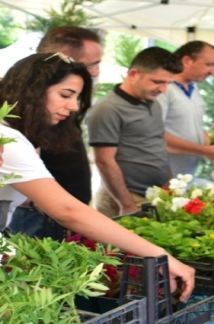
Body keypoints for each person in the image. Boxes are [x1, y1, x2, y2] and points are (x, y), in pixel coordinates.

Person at [0, 52, 195, 301]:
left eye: (77, 98)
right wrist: (159, 255)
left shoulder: (19, 137)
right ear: (33, 91)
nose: (73, 107)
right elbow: (68, 211)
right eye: (66, 95)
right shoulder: (10, 140)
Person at [11, 26, 105, 240]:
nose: (72, 106)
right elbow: (64, 209)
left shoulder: (54, 109)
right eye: (93, 64)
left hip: (61, 213)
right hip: (40, 216)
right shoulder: (13, 129)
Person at [87, 47, 183, 217]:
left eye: (168, 83)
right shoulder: (108, 109)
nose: (163, 89)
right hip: (123, 200)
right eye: (157, 81)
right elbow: (104, 161)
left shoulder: (154, 104)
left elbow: (158, 146)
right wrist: (127, 204)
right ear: (133, 74)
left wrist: (169, 186)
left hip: (154, 196)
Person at [158, 41, 214, 179]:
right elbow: (156, 135)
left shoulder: (193, 87)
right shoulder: (162, 89)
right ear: (187, 61)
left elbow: (197, 130)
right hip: (162, 177)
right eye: (209, 64)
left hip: (185, 176)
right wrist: (206, 151)